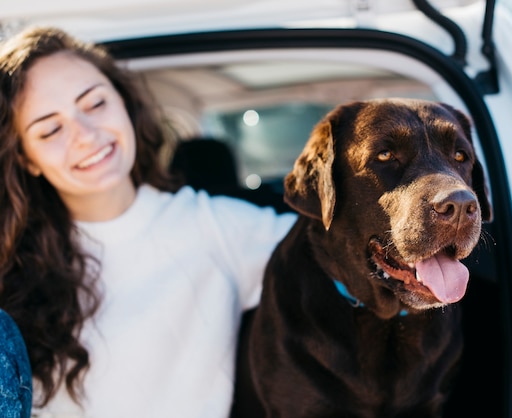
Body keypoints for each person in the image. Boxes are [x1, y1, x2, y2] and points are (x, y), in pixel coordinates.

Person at [0, 26, 297, 417]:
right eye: (51, 129)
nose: (86, 136)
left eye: (94, 104)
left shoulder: (216, 225)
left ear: (123, 102)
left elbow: (343, 260)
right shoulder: (11, 269)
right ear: (26, 159)